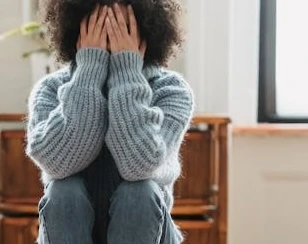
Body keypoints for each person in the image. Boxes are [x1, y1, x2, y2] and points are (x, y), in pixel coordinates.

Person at [26, 0, 192, 243]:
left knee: (139, 192)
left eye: (122, 27)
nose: (110, 35)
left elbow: (138, 166)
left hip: (147, 229)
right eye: (99, 26)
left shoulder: (171, 90)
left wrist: (126, 71)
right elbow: (57, 165)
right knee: (63, 191)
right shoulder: (50, 89)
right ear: (78, 30)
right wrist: (90, 69)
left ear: (144, 31)